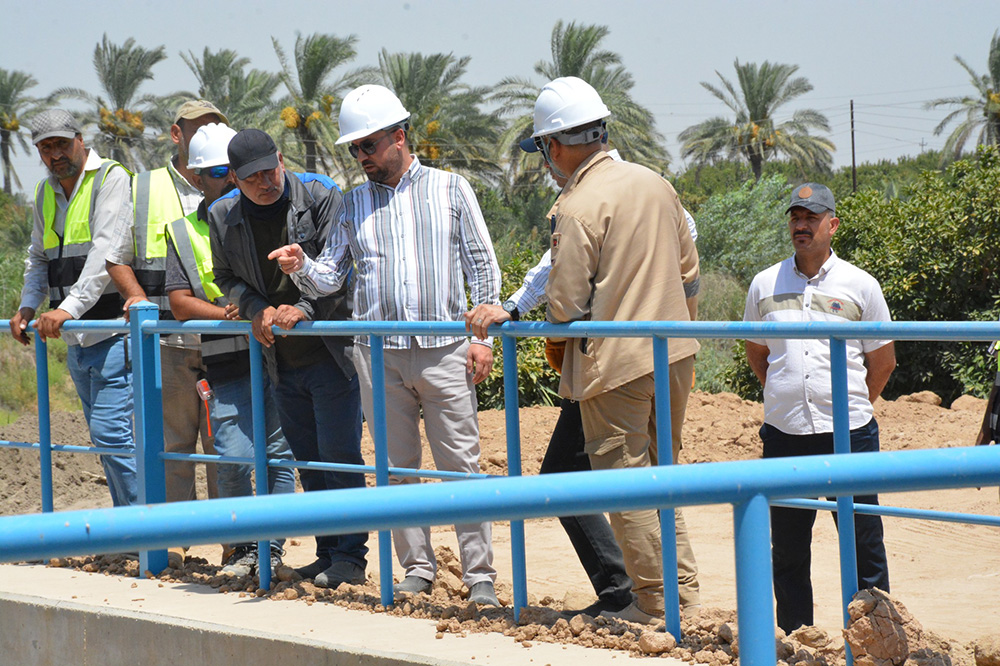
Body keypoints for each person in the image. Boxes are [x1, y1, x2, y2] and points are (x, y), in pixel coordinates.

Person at [470, 77, 701, 625]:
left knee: (626, 486)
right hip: (674, 352)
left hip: (617, 361)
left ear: (555, 144)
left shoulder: (576, 206)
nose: (546, 163)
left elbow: (566, 302)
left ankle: (657, 606)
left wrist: (546, 324)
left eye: (544, 151)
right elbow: (690, 277)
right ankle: (685, 598)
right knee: (661, 475)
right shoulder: (656, 184)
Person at [269, 84, 502, 606]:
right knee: (396, 470)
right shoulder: (354, 203)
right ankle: (417, 570)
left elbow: (482, 264)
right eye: (354, 149)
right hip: (378, 354)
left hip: (444, 347)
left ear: (399, 137)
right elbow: (331, 275)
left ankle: (480, 577)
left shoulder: (450, 189)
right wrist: (301, 266)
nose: (361, 157)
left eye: (368, 146)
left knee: (459, 467)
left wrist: (484, 335)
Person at [208, 127, 368, 590]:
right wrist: (258, 310)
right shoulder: (222, 217)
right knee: (308, 459)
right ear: (235, 180)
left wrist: (302, 308)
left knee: (340, 456)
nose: (265, 182)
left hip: (329, 352)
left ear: (281, 158)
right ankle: (327, 552)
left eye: (269, 169)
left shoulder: (321, 197)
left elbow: (341, 270)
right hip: (281, 360)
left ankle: (351, 558)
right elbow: (225, 277)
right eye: (252, 177)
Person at [743, 182, 896, 634]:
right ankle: (798, 641)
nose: (800, 225)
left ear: (832, 224)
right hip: (784, 434)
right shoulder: (764, 283)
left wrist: (849, 408)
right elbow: (757, 352)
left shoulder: (861, 284)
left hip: (849, 434)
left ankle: (877, 642)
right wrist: (785, 395)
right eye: (795, 217)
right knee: (788, 548)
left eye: (810, 217)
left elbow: (882, 362)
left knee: (863, 541)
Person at [163, 122, 297, 576]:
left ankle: (271, 550)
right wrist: (231, 314)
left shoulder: (272, 208)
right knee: (235, 456)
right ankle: (241, 550)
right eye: (216, 171)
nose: (226, 179)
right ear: (196, 177)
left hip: (279, 355)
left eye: (231, 169)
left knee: (280, 455)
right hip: (227, 356)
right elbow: (179, 302)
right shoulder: (185, 231)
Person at [105, 101, 226, 561]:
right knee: (173, 446)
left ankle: (233, 546)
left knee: (225, 446)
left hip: (224, 341)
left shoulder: (231, 177)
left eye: (217, 128)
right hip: (167, 342)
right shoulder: (143, 187)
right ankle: (176, 546)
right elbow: (116, 255)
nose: (209, 136)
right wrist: (136, 298)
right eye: (200, 130)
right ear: (177, 134)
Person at [9, 109, 138, 507]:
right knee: (104, 439)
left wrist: (67, 308)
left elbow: (106, 252)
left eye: (62, 144)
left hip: (115, 330)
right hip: (76, 339)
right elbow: (37, 258)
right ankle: (128, 529)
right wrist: (27, 306)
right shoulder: (45, 193)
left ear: (80, 140)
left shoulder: (110, 177)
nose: (54, 154)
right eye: (45, 148)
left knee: (112, 433)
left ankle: (148, 532)